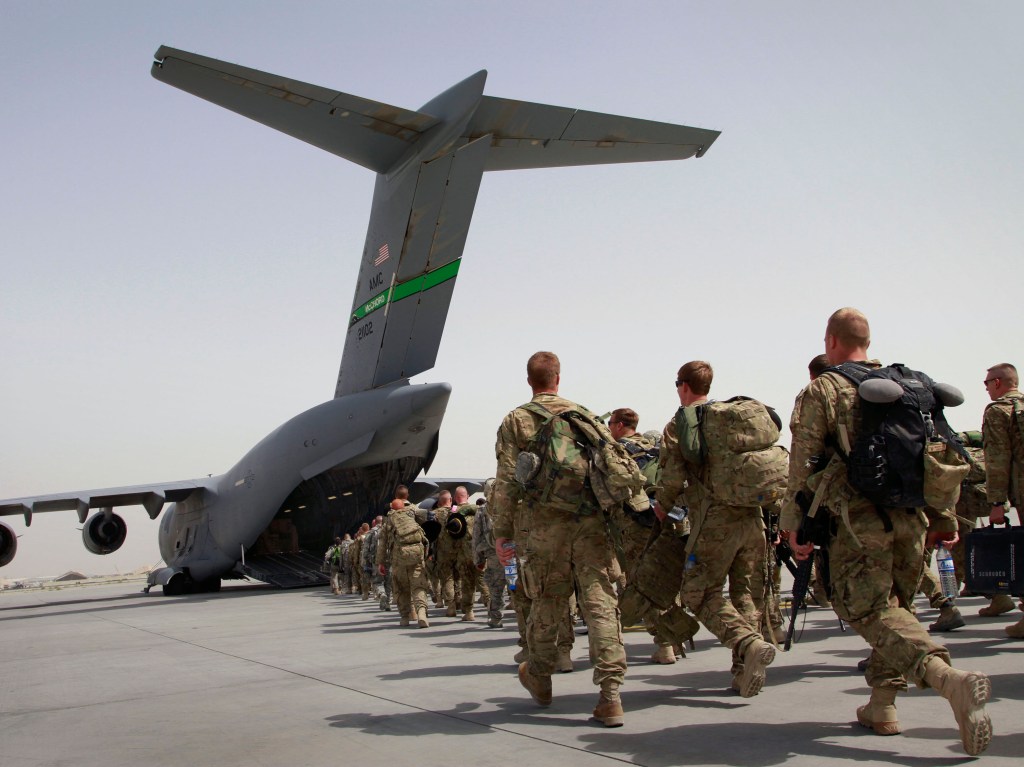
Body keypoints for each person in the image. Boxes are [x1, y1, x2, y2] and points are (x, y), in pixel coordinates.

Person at [784, 307, 991, 755]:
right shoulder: (911, 385)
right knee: (898, 607)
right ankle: (882, 706)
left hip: (858, 522)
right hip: (912, 517)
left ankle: (945, 678)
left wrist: (792, 524)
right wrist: (944, 518)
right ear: (868, 341)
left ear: (830, 340)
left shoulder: (825, 389)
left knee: (867, 609)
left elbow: (801, 463)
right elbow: (938, 452)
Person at [492, 351, 627, 726]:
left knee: (547, 602)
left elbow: (506, 481)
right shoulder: (584, 416)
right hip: (591, 524)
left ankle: (540, 677)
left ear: (529, 381)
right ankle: (610, 696)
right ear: (558, 379)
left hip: (544, 527)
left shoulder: (516, 419)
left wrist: (502, 534)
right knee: (600, 602)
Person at [655, 361, 776, 697]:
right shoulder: (733, 419)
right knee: (743, 594)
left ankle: (747, 643)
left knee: (699, 593)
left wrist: (661, 507)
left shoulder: (682, 424)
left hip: (713, 522)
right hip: (752, 518)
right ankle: (743, 670)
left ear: (684, 386)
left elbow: (671, 477)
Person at [608, 407, 683, 665]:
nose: (608, 428)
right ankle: (675, 637)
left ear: (620, 425)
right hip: (665, 518)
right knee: (665, 577)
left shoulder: (616, 451)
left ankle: (664, 644)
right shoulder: (655, 447)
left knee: (643, 584)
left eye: (610, 423)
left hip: (633, 525)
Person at [981, 362, 1024, 637]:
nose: (986, 389)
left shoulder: (999, 411)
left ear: (997, 383)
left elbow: (997, 460)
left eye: (987, 383)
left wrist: (997, 503)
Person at [377, 487, 431, 628]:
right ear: (407, 495)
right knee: (418, 584)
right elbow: (429, 530)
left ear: (395, 496)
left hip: (398, 556)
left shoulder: (390, 516)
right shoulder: (415, 511)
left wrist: (380, 562)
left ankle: (405, 617)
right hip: (416, 554)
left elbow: (382, 542)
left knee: (401, 587)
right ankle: (421, 613)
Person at [473, 480, 507, 628]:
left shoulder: (482, 510)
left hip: (494, 555)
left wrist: (478, 559)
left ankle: (495, 618)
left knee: (495, 588)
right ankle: (524, 621)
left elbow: (477, 536)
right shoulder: (511, 506)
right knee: (517, 586)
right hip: (513, 552)